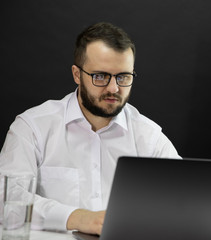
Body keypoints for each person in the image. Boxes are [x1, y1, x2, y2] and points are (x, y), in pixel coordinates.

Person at [0, 22, 180, 235]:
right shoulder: (33, 127)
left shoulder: (150, 137)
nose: (113, 88)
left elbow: (183, 201)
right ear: (77, 74)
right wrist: (79, 218)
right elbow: (6, 199)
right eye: (100, 76)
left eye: (123, 77)